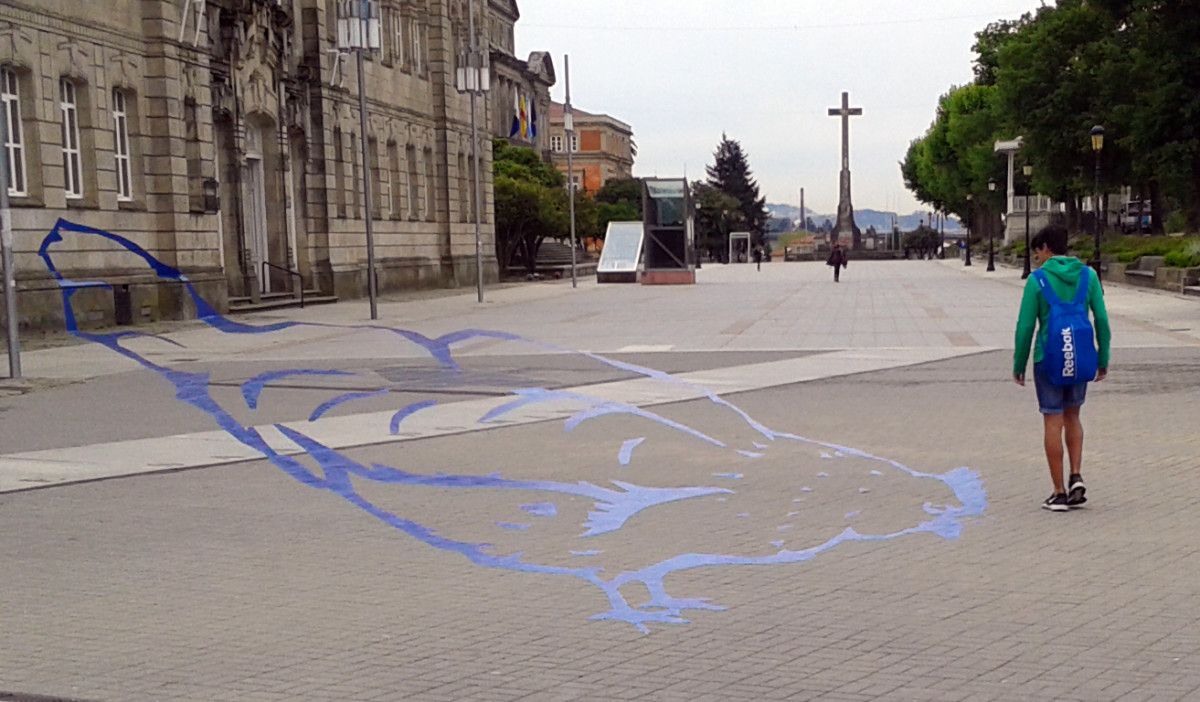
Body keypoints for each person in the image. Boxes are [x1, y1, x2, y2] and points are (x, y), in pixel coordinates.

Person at [1013, 224, 1111, 512]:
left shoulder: (1037, 281)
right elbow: (1102, 320)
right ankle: (1076, 476)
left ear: (1046, 248)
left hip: (1050, 359)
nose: (1037, 257)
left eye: (1038, 252)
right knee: (1074, 417)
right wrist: (1102, 358)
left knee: (1052, 421)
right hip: (1080, 357)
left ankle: (1058, 492)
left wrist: (1019, 364)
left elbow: (1026, 327)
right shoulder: (1088, 276)